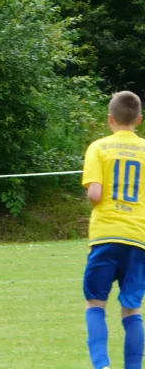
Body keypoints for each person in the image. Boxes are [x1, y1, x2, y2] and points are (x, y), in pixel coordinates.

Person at [82, 91, 145, 369]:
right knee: (132, 308)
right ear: (139, 120)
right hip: (138, 238)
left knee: (95, 302)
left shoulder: (99, 148)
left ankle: (102, 365)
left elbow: (95, 193)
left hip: (106, 235)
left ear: (109, 119)